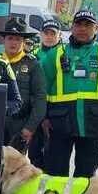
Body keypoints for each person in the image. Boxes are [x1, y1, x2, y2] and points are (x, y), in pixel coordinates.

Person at [39, 10, 98, 178]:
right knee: (55, 172)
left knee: (86, 175)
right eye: (79, 24)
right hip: (59, 124)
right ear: (72, 27)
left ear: (97, 28)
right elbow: (42, 89)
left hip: (93, 125)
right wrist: (44, 118)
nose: (82, 29)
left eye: (88, 25)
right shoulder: (55, 55)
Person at [0, 17, 47, 194]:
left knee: (12, 173)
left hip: (19, 127)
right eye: (10, 38)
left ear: (24, 41)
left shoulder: (33, 65)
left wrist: (30, 127)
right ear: (4, 40)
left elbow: (40, 98)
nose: (13, 42)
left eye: (18, 38)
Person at [29, 19, 64, 171]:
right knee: (34, 154)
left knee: (54, 156)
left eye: (53, 33)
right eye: (46, 33)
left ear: (59, 35)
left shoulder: (65, 55)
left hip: (58, 112)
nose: (49, 37)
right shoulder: (33, 55)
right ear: (41, 35)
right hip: (36, 111)